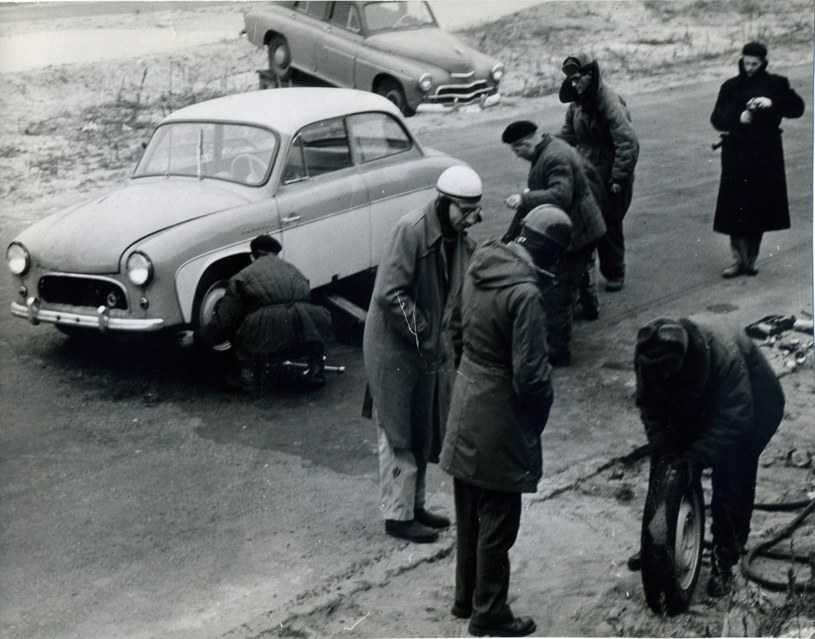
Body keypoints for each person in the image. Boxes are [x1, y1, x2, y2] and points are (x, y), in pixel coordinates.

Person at [440, 205, 573, 638]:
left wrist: (472, 374)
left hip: (465, 402)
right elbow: (532, 376)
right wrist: (536, 417)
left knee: (469, 513)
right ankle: (490, 612)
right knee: (498, 519)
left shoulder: (481, 262)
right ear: (550, 252)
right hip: (499, 416)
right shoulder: (526, 294)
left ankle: (467, 598)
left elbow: (453, 326)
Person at [363, 165, 484, 544]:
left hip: (429, 349)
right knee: (397, 431)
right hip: (394, 347)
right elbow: (391, 294)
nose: (471, 219)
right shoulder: (411, 230)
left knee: (423, 427)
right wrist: (428, 335)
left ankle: (415, 508)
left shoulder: (461, 242)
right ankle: (397, 516)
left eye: (475, 211)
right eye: (464, 211)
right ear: (444, 202)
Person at [633, 316, 784, 597]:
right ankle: (657, 544)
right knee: (666, 463)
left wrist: (697, 456)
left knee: (732, 477)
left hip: (754, 404)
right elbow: (650, 410)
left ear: (684, 360)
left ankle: (724, 562)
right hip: (699, 403)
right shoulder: (648, 356)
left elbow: (735, 419)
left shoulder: (722, 357)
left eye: (668, 373)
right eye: (658, 375)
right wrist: (666, 449)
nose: (662, 379)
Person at [502, 120, 606, 366]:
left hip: (577, 232)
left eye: (517, 150)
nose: (517, 156)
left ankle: (558, 353)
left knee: (558, 293)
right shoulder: (550, 147)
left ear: (526, 143)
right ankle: (591, 307)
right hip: (584, 227)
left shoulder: (553, 157)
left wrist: (525, 198)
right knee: (580, 273)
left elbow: (561, 195)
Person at [710, 41, 805, 278]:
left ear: (763, 62)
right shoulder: (730, 86)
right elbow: (716, 118)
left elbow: (797, 108)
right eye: (746, 62)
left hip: (766, 154)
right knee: (735, 209)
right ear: (741, 60)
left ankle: (751, 259)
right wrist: (737, 117)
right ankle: (738, 260)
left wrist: (772, 103)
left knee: (759, 208)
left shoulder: (776, 84)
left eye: (754, 63)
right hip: (737, 153)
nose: (750, 67)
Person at [200, 234, 332, 391]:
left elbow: (224, 322)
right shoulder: (294, 270)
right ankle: (316, 371)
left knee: (244, 329)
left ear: (252, 256)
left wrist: (197, 337)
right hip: (307, 324)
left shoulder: (241, 277)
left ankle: (248, 379)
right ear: (276, 254)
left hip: (267, 329)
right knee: (306, 317)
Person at [558, 52, 639, 292]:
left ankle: (615, 272)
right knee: (586, 221)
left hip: (611, 171)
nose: (574, 84)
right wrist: (547, 144)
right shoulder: (577, 103)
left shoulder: (609, 101)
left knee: (610, 224)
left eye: (577, 79)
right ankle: (585, 275)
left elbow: (627, 142)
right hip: (587, 170)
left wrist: (619, 177)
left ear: (590, 75)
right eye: (571, 80)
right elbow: (569, 134)